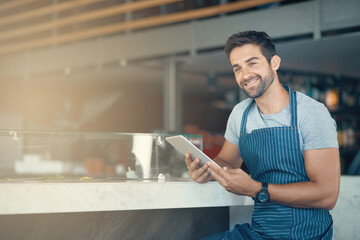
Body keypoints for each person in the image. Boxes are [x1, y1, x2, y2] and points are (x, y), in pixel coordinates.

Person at [185, 31, 340, 240]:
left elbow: (327, 195)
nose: (245, 74)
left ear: (274, 62)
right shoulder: (241, 113)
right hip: (260, 232)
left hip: (307, 235)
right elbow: (226, 161)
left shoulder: (311, 113)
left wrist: (257, 189)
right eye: (237, 68)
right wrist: (207, 169)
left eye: (252, 63)